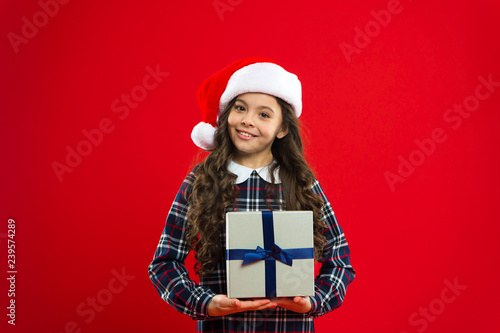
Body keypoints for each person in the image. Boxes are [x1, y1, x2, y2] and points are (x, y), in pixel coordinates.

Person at [148, 57, 355, 332]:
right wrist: (205, 303)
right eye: (240, 108)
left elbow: (340, 262)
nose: (248, 120)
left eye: (264, 114)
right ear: (225, 115)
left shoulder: (302, 184)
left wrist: (314, 301)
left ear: (282, 128)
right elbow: (163, 264)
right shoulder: (201, 182)